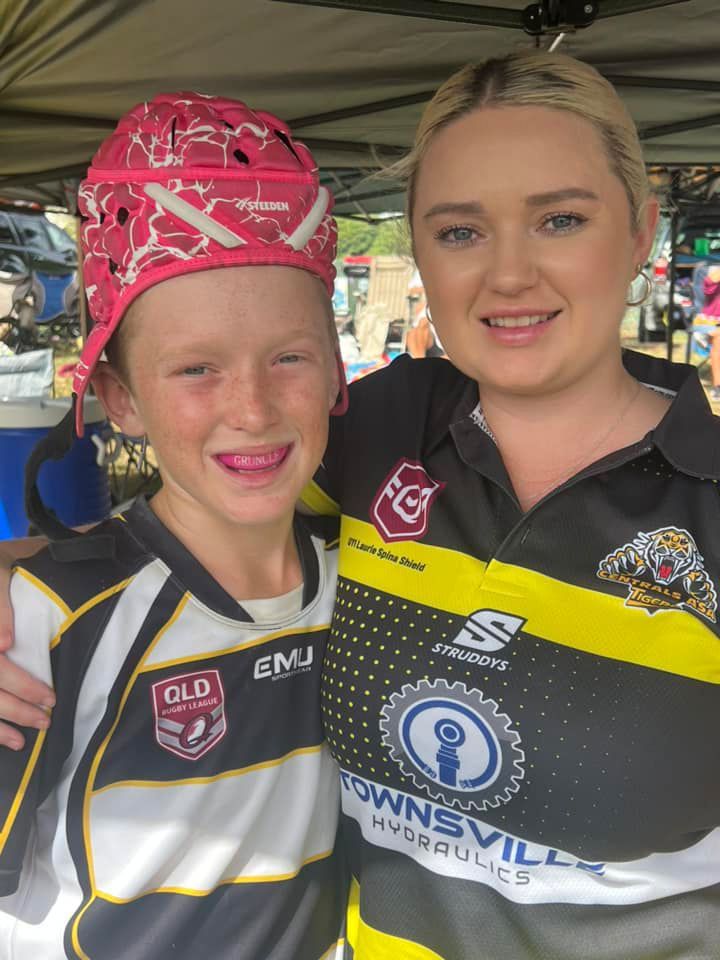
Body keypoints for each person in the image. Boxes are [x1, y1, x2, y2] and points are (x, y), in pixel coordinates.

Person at [2, 51, 720, 960]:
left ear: (643, 230)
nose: (509, 275)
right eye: (461, 231)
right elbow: (190, 536)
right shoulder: (375, 430)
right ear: (420, 251)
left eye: (561, 219)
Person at [0, 93, 347, 960]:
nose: (253, 409)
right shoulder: (48, 618)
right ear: (120, 400)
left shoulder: (377, 570)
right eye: (196, 369)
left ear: (339, 371)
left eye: (290, 357)